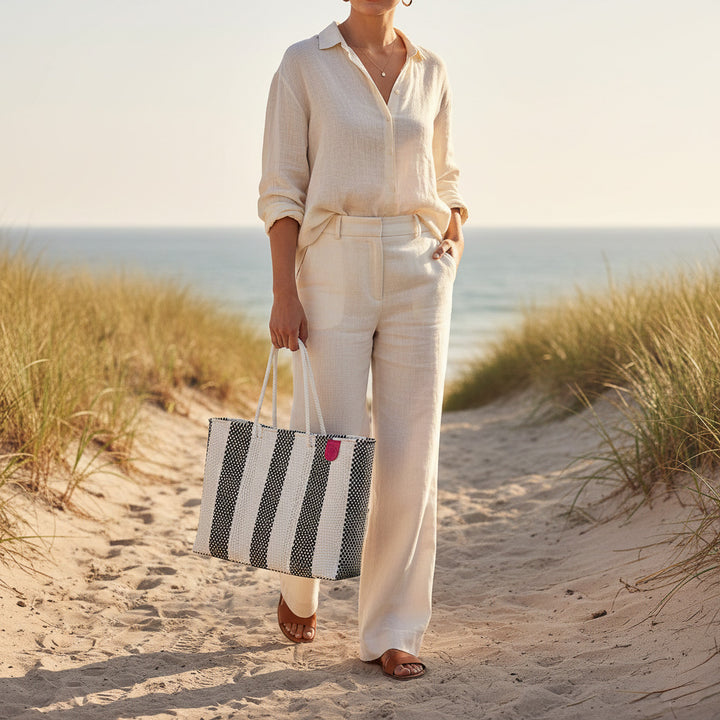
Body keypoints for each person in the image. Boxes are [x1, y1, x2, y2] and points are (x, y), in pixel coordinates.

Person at [258, 0, 467, 680]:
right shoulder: (303, 65)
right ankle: (300, 578)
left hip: (419, 266)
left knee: (412, 453)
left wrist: (455, 223)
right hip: (332, 265)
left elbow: (447, 170)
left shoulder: (431, 69)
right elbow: (282, 188)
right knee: (327, 444)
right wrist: (285, 291)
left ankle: (393, 631)